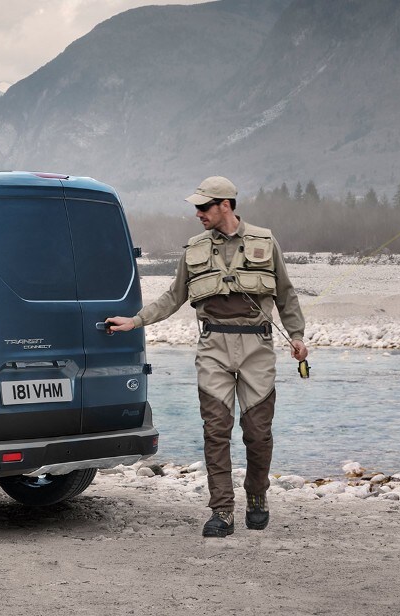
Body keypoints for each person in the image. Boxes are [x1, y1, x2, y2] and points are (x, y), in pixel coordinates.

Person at [106, 176, 307, 538]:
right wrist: (134, 321)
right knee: (216, 431)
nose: (197, 213)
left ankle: (257, 495)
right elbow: (173, 297)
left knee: (258, 434)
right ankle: (223, 511)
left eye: (203, 206)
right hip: (213, 346)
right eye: (196, 207)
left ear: (225, 205)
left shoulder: (265, 240)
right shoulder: (194, 248)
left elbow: (286, 295)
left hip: (257, 349)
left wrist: (297, 337)